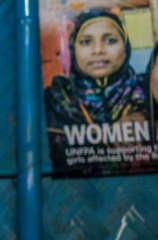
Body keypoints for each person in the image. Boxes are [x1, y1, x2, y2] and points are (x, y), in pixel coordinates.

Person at [44, 8, 148, 172]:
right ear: (73, 49)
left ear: (126, 47)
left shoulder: (149, 92)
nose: (98, 50)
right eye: (86, 42)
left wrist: (145, 114)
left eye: (110, 40)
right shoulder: (53, 101)